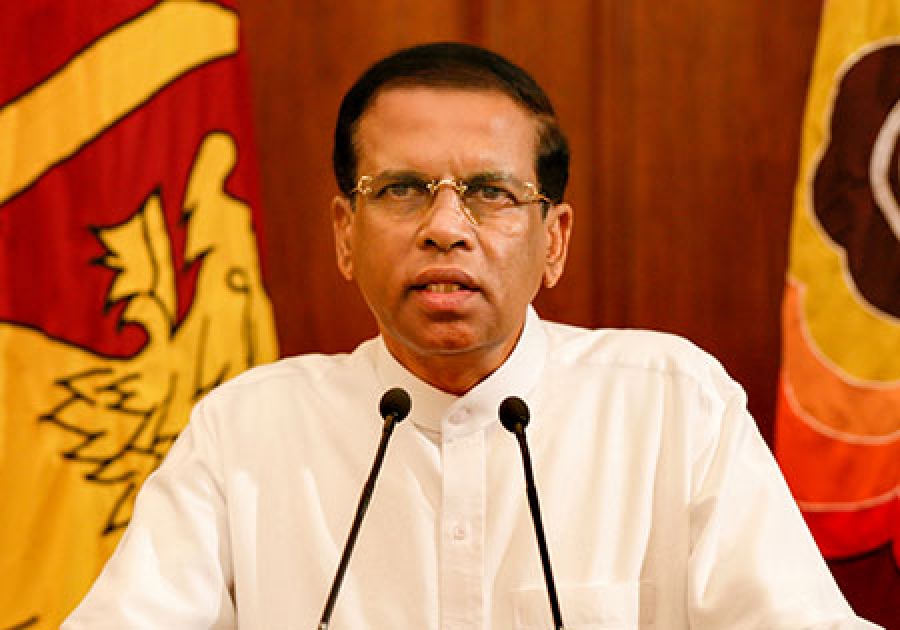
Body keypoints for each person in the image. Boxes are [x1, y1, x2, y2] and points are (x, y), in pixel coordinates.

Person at [64, 42, 881, 629]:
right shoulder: (247, 431)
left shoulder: (673, 407)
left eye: (491, 192)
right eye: (402, 189)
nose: (446, 227)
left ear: (553, 240)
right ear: (345, 234)